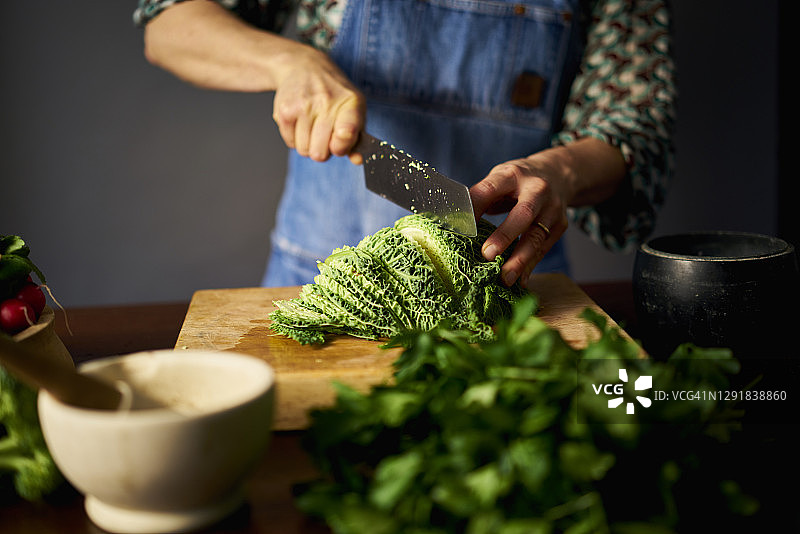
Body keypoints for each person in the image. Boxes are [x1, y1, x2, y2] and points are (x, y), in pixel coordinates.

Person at [134, 0, 676, 289]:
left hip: (513, 279)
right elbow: (170, 21)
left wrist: (559, 171)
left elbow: (634, 120)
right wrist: (292, 61)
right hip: (320, 281)